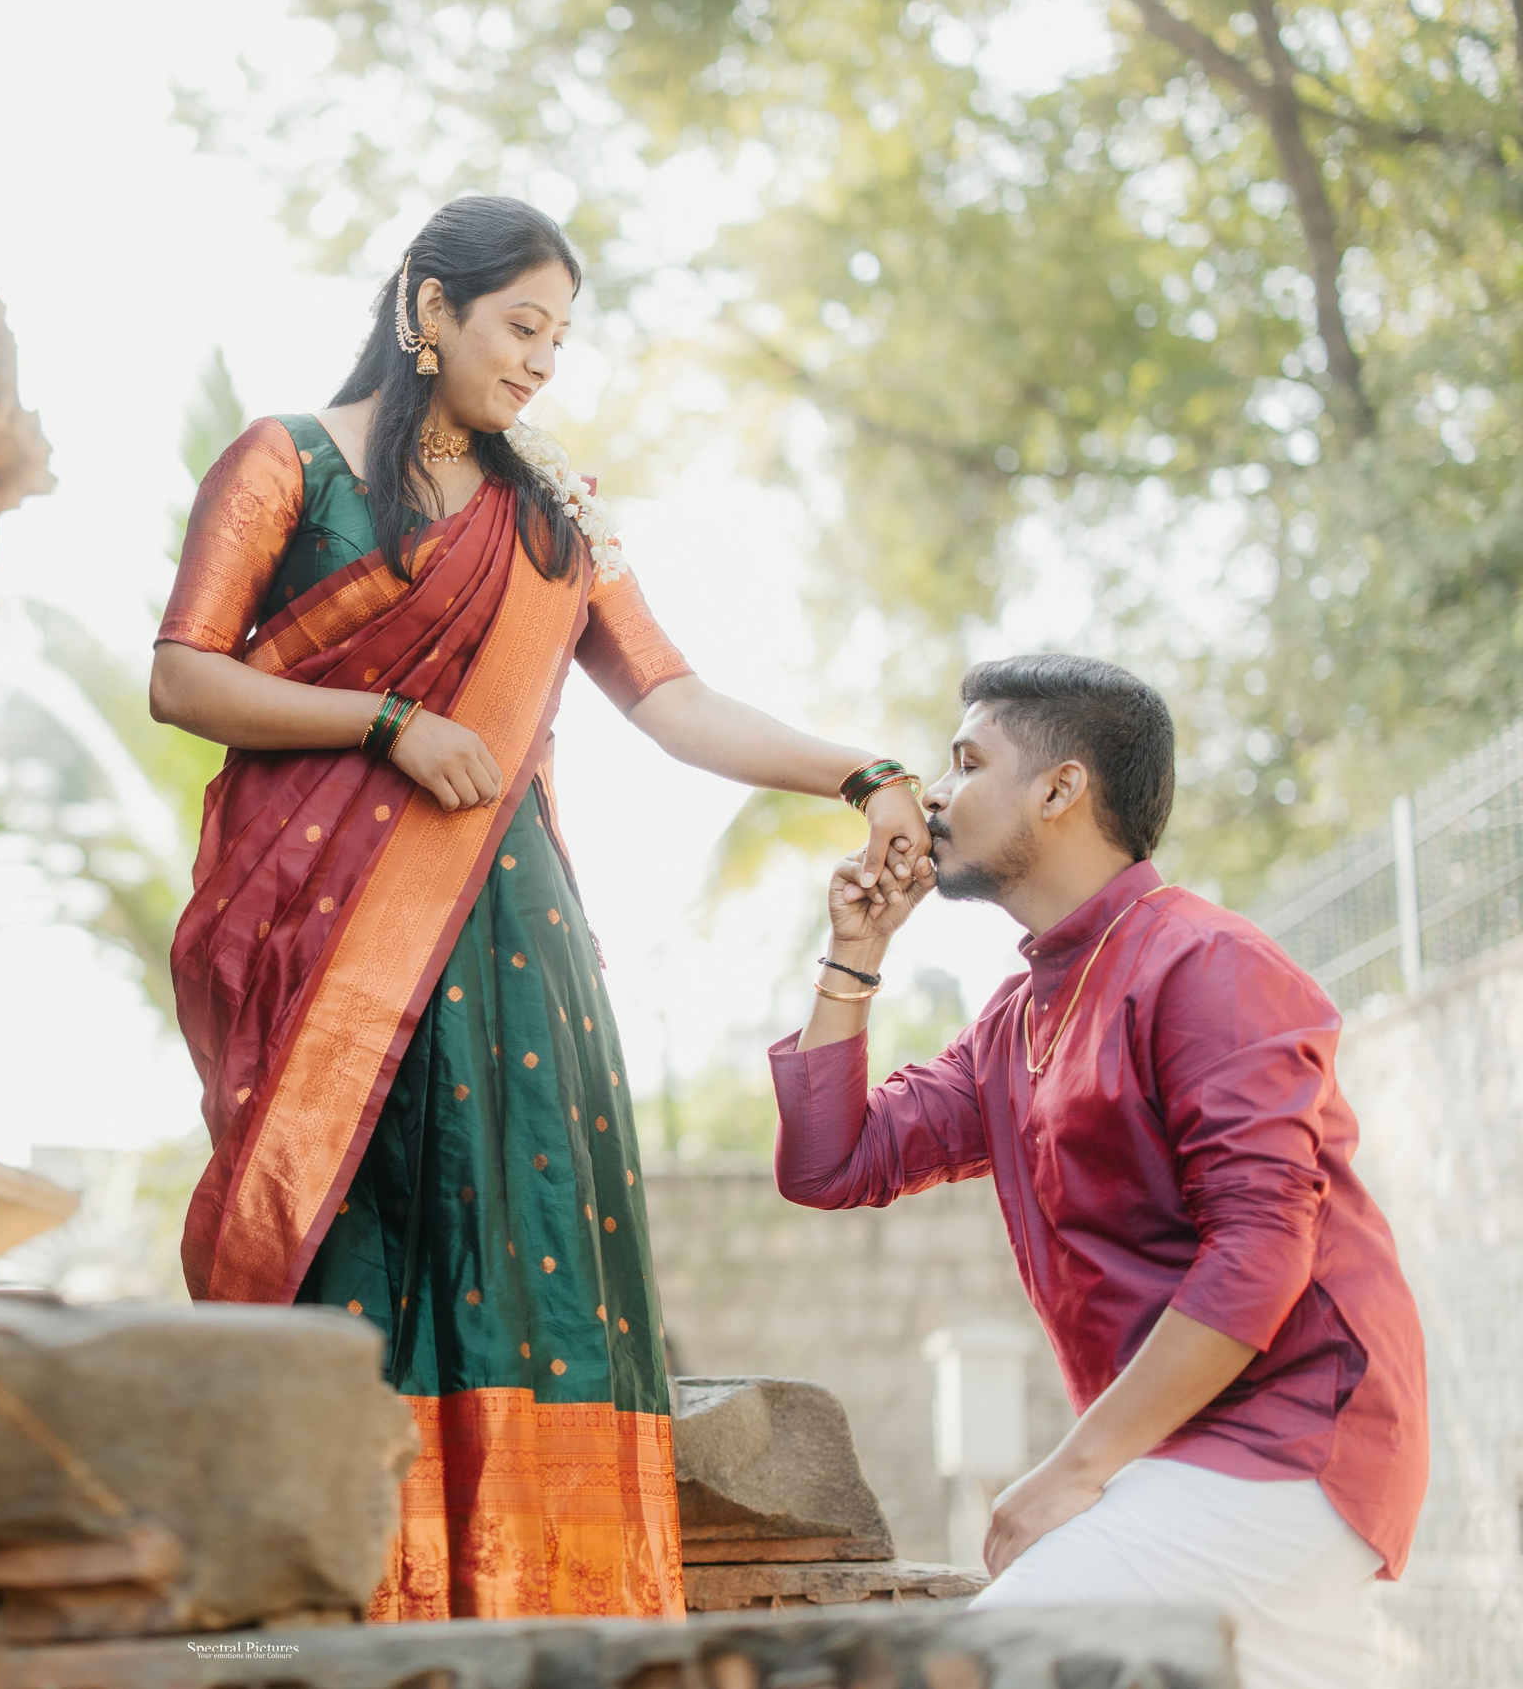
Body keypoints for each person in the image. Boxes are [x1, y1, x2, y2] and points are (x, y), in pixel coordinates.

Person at [148, 193, 932, 1622]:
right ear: (426, 308)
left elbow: (674, 700)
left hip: (512, 943)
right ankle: (352, 1589)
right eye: (521, 326)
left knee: (531, 1238)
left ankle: (539, 1599)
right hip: (331, 943)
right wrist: (383, 721)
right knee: (361, 1231)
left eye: (560, 338)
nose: (541, 363)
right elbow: (185, 677)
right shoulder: (287, 462)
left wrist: (859, 767)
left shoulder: (554, 515)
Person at [768, 654, 1427, 1687]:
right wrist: (852, 952)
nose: (932, 794)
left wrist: (1068, 1470)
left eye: (965, 760)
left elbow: (1259, 1250)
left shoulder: (1207, 963)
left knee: (969, 1663)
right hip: (1173, 1464)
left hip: (1288, 1441)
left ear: (1060, 788)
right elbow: (831, 1162)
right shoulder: (1014, 1020)